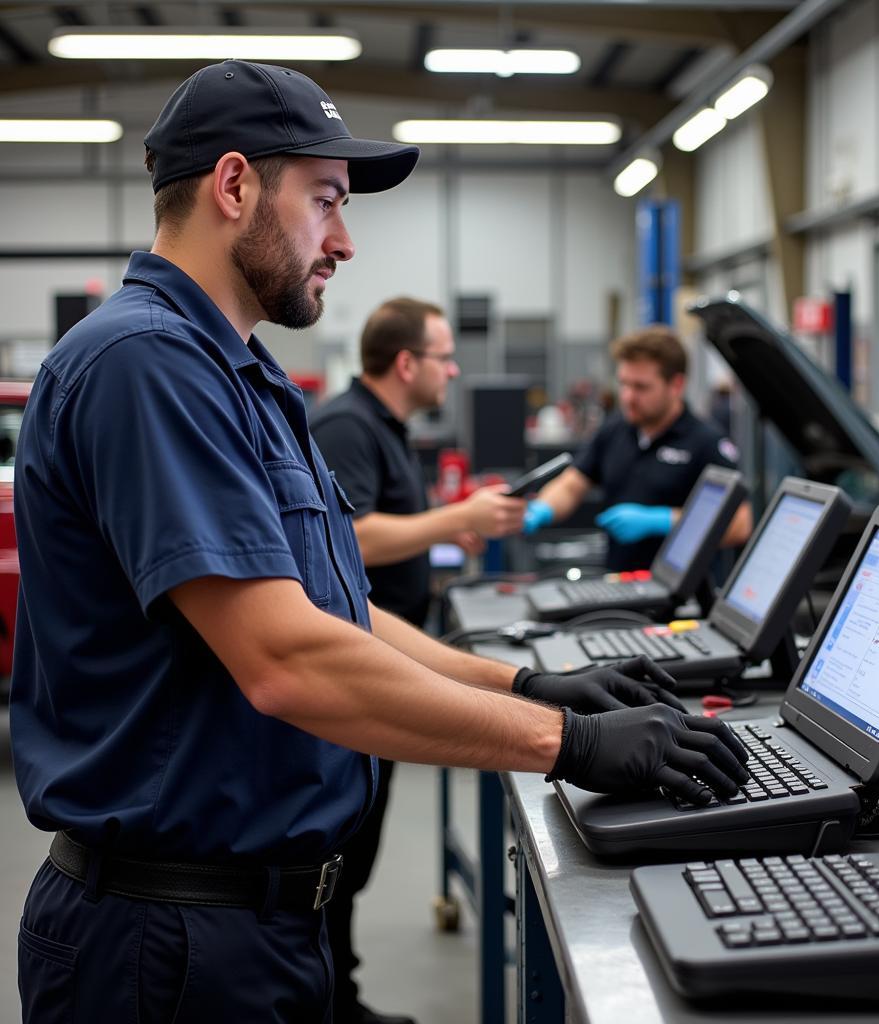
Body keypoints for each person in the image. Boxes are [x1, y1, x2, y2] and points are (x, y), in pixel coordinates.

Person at [12, 60, 748, 1024]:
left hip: (256, 930)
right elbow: (286, 659)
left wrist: (519, 685)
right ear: (233, 187)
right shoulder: (145, 366)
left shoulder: (243, 380)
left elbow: (333, 615)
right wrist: (565, 743)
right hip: (167, 947)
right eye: (325, 201)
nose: (345, 241)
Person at [309, 298, 525, 1024]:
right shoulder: (347, 426)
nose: (454, 370)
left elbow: (388, 531)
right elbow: (353, 541)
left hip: (384, 649)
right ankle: (330, 1002)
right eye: (443, 356)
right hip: (354, 664)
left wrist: (441, 538)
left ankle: (343, 993)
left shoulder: (386, 428)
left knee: (357, 847)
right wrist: (457, 519)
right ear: (407, 364)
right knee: (339, 850)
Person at [523, 325, 752, 571]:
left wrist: (664, 521)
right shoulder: (614, 430)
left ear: (676, 385)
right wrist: (541, 509)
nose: (628, 397)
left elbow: (739, 524)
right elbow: (571, 485)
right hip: (620, 587)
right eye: (624, 384)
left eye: (641, 387)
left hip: (682, 597)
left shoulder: (706, 442)